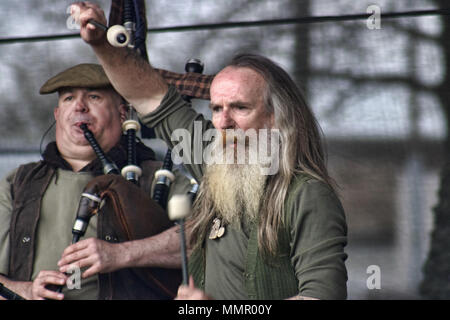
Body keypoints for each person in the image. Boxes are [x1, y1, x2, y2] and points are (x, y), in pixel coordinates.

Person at [58, 2, 349, 300]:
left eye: (240, 108)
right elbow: (148, 95)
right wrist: (100, 45)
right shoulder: (215, 155)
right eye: (216, 109)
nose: (223, 122)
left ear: (276, 116)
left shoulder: (307, 195)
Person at [0, 63, 191, 300]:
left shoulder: (154, 178)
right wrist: (24, 291)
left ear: (123, 113)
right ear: (57, 115)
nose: (79, 106)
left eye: (94, 96)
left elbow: (208, 243)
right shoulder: (16, 184)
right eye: (69, 98)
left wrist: (123, 254)